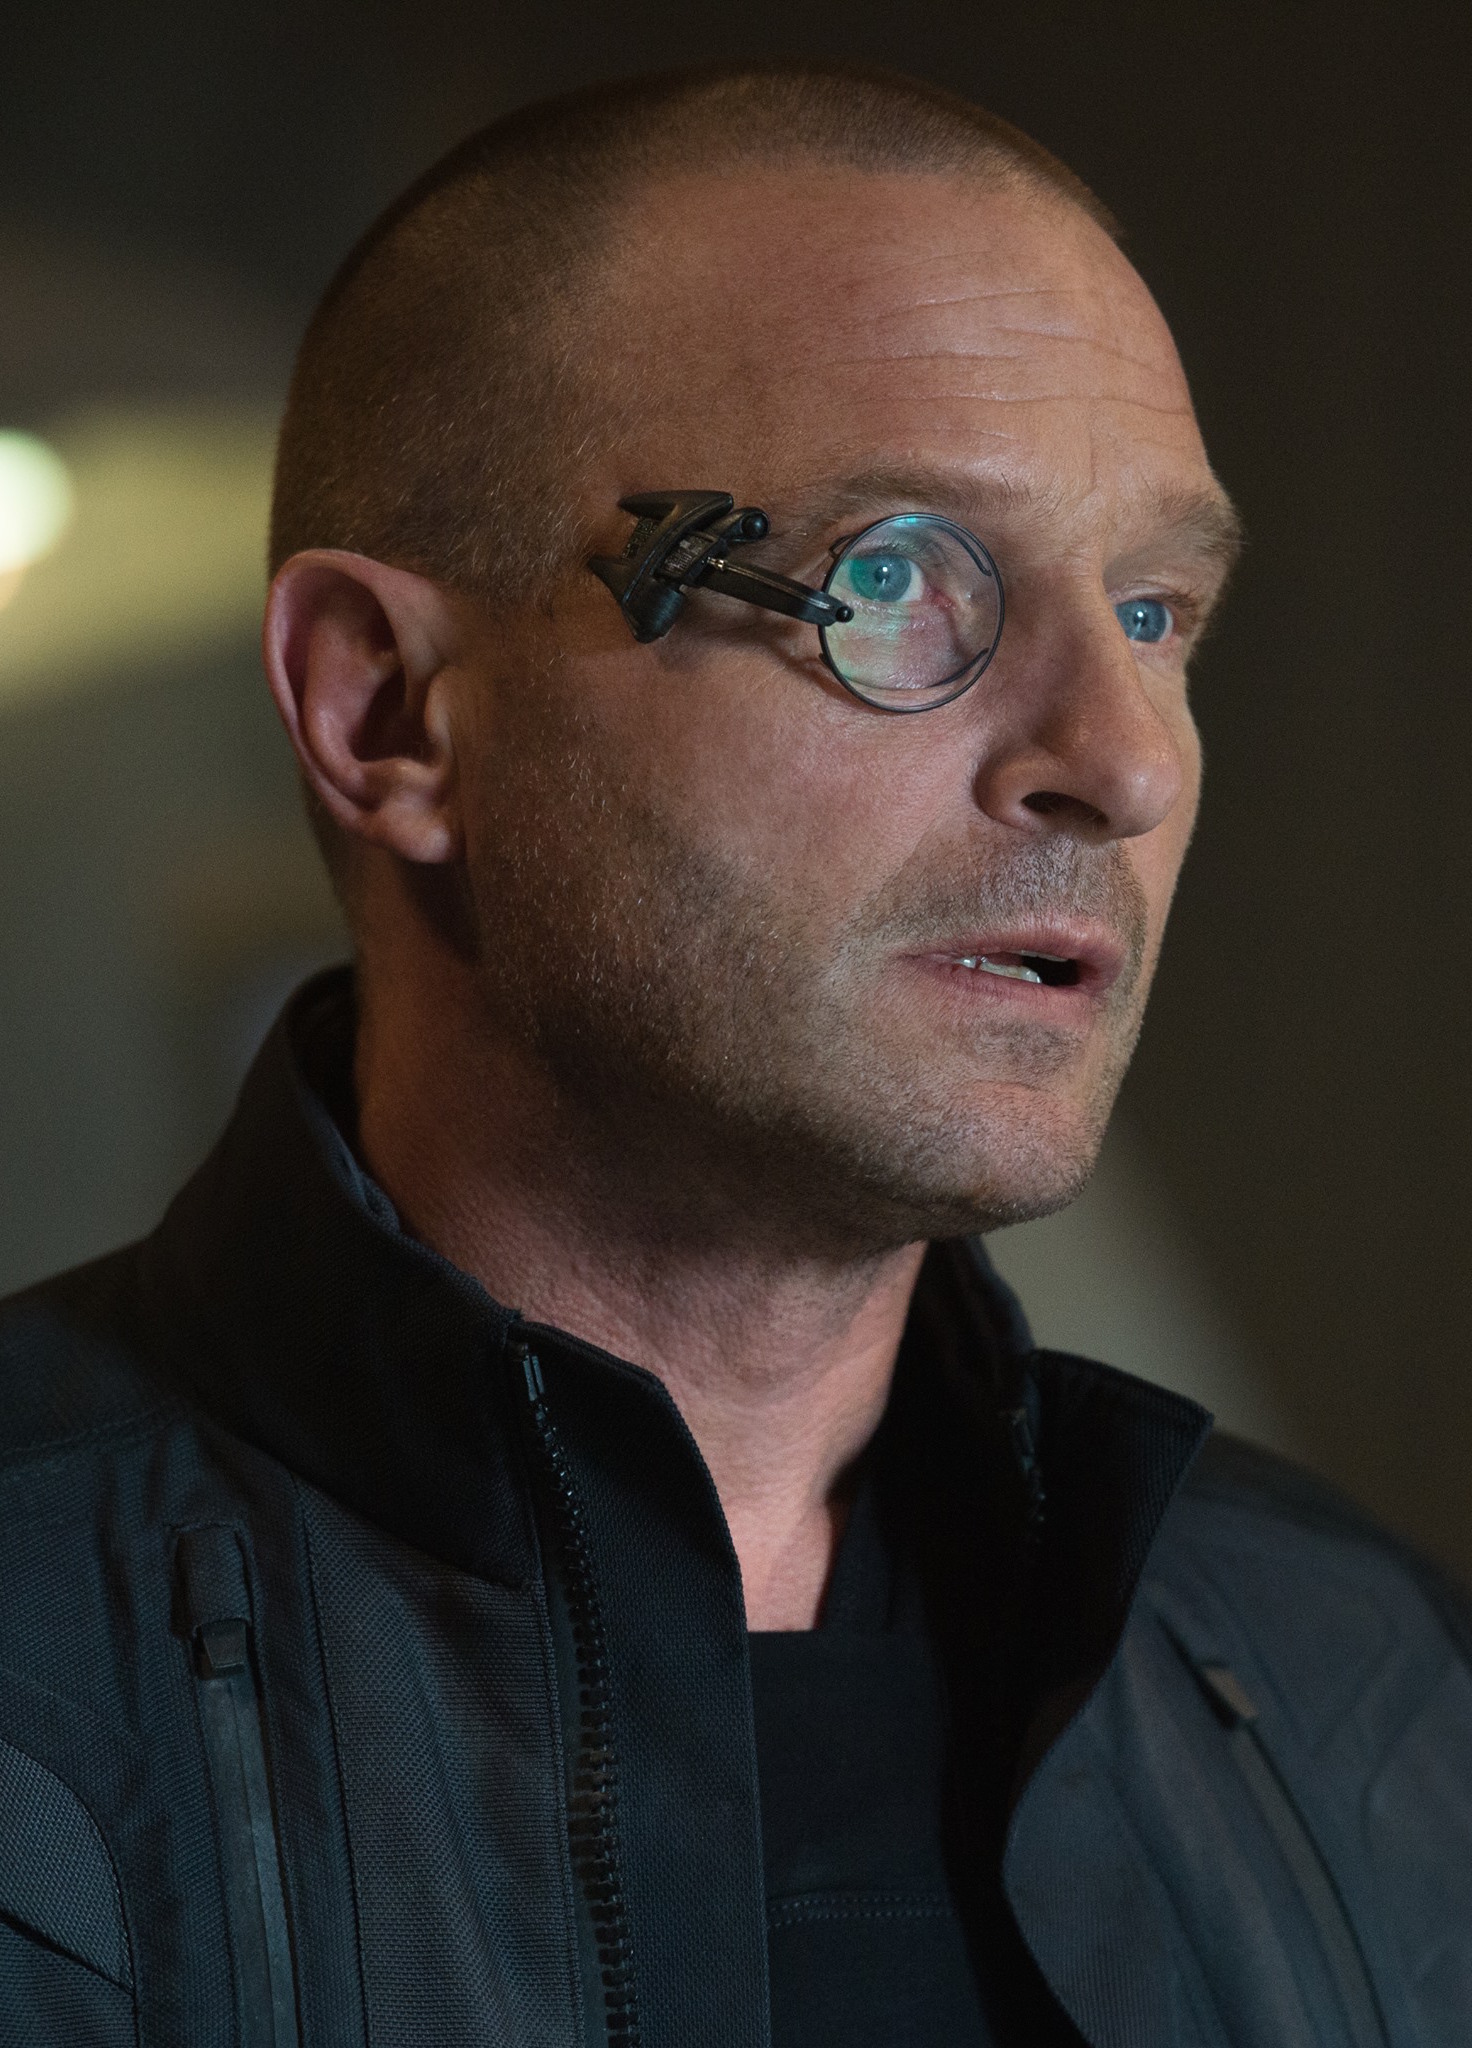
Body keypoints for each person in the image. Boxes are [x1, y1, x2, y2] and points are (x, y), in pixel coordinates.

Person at [1, 60, 1468, 2048]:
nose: (1119, 762)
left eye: (1151, 611)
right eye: (893, 581)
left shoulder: (1367, 1702)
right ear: (388, 711)